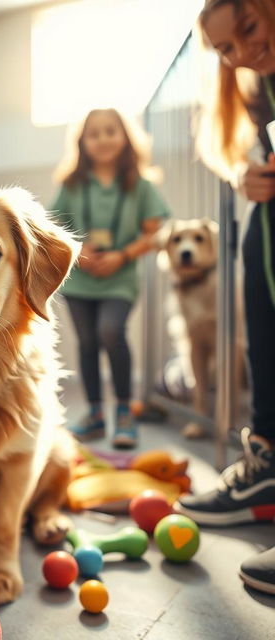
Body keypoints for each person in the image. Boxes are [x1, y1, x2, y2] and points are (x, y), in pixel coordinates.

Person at [174, 0, 275, 596]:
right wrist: (245, 176)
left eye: (250, 31)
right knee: (261, 325)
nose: (242, 54)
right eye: (226, 50)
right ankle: (265, 465)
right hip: (267, 224)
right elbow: (243, 152)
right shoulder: (258, 89)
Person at [51, 108, 170, 449]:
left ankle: (124, 412)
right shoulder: (71, 185)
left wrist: (123, 255)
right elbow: (52, 227)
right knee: (87, 342)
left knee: (110, 331)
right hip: (80, 279)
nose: (103, 139)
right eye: (94, 133)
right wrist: (78, 250)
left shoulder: (141, 186)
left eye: (110, 131)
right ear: (82, 142)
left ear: (125, 137)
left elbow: (155, 232)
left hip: (120, 277)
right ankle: (94, 414)